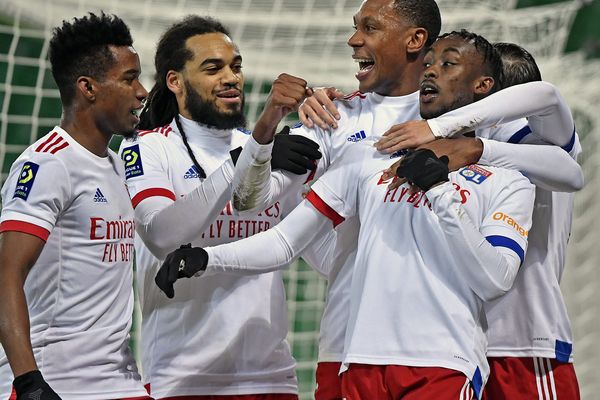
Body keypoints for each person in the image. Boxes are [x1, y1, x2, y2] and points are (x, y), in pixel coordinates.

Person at [157, 30, 537, 399]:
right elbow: (286, 240)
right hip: (357, 363)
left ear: (483, 87)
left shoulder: (507, 180)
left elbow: (494, 280)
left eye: (448, 64)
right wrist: (207, 257)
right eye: (430, 63)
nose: (431, 70)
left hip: (441, 364)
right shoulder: (368, 157)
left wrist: (440, 193)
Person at [118, 15, 321, 399]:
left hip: (271, 376)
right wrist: (253, 152)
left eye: (236, 66)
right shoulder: (147, 147)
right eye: (213, 68)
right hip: (182, 378)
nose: (231, 77)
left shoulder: (269, 151)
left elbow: (302, 245)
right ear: (175, 81)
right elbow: (162, 235)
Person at [0, 13, 150, 400]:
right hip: (56, 380)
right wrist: (29, 382)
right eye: (129, 78)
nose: (142, 91)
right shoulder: (48, 163)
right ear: (88, 88)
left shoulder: (118, 166)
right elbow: (6, 272)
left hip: (118, 378)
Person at [479, 42, 581, 400]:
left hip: (525, 342)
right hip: (469, 345)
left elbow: (546, 100)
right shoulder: (480, 140)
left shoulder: (540, 140)